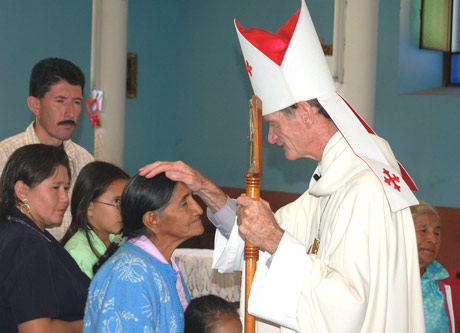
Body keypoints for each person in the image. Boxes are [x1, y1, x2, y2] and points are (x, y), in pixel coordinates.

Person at [140, 1, 425, 331]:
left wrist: (274, 240)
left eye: (274, 124)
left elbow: (348, 308)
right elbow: (263, 230)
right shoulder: (334, 180)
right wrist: (206, 189)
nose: (271, 138)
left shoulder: (364, 189)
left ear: (305, 113)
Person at [0, 57, 94, 274]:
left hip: (72, 280)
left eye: (77, 102)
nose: (70, 112)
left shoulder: (84, 162)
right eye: (60, 101)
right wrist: (29, 272)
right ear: (35, 105)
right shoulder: (0, 159)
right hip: (20, 280)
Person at [0, 144, 90, 333]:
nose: (65, 197)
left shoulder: (17, 229)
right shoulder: (26, 244)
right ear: (22, 191)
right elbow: (36, 330)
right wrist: (98, 321)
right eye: (55, 188)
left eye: (66, 187)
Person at [83, 173, 204, 332]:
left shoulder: (158, 264)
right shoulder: (131, 275)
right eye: (184, 203)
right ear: (153, 221)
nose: (198, 209)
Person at [62, 161, 129, 278]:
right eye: (116, 201)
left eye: (126, 202)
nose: (124, 210)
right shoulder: (78, 254)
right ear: (89, 208)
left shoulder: (117, 240)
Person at [411, 201, 460, 332]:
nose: (433, 239)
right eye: (423, 230)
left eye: (437, 233)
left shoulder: (452, 285)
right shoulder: (380, 282)